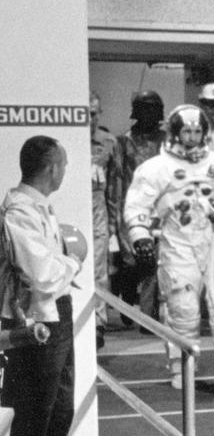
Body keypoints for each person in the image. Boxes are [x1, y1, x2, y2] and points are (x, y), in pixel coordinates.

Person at [123, 105, 214, 394]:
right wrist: (141, 238)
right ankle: (182, 370)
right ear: (174, 132)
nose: (192, 137)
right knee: (181, 308)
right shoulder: (155, 168)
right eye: (186, 131)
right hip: (178, 245)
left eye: (197, 131)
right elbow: (137, 207)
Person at [0, 136, 89, 436]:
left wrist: (62, 266)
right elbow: (43, 274)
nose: (65, 172)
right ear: (51, 167)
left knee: (59, 411)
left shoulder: (36, 209)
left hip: (55, 314)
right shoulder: (20, 211)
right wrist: (73, 260)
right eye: (64, 165)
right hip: (37, 322)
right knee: (37, 415)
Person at [116, 90, 167, 322]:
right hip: (132, 208)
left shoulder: (166, 140)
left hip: (159, 209)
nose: (149, 113)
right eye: (144, 108)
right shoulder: (124, 141)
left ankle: (148, 316)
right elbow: (117, 178)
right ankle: (126, 307)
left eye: (153, 108)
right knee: (130, 263)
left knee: (152, 264)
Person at [88, 91, 122, 349]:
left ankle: (98, 322)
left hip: (98, 206)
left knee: (99, 268)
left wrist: (114, 220)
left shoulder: (108, 141)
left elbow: (114, 184)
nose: (91, 118)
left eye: (95, 113)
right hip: (72, 205)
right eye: (86, 113)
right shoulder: (67, 138)